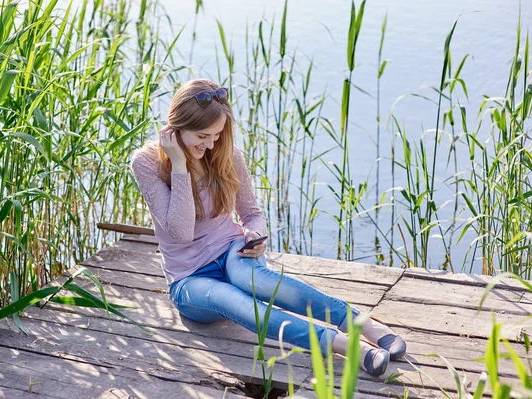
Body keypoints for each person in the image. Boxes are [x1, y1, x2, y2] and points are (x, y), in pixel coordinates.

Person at [130, 79, 406, 378]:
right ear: (175, 128)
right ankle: (345, 345)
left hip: (232, 249)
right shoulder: (146, 163)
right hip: (189, 279)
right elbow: (181, 233)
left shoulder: (227, 156)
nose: (210, 144)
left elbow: (252, 214)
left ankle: (361, 323)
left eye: (216, 135)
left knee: (255, 281)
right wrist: (180, 165)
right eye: (202, 136)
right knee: (235, 302)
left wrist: (253, 235)